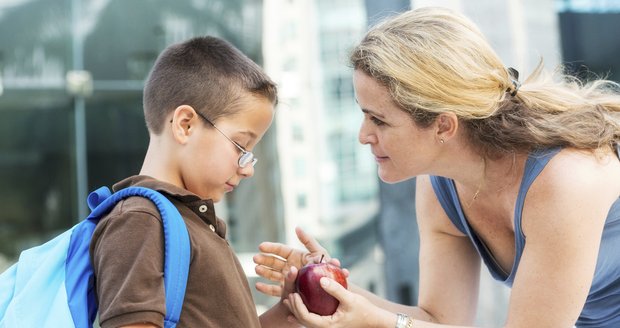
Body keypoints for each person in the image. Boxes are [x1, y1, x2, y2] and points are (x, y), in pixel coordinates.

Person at [253, 6, 620, 328]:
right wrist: (332, 289)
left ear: (444, 125)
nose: (364, 136)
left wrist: (381, 322)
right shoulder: (440, 184)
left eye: (378, 120)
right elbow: (440, 320)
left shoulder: (566, 180)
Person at [90, 36, 299, 327]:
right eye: (241, 147)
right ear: (185, 125)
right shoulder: (139, 220)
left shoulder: (192, 223)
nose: (248, 169)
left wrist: (288, 312)